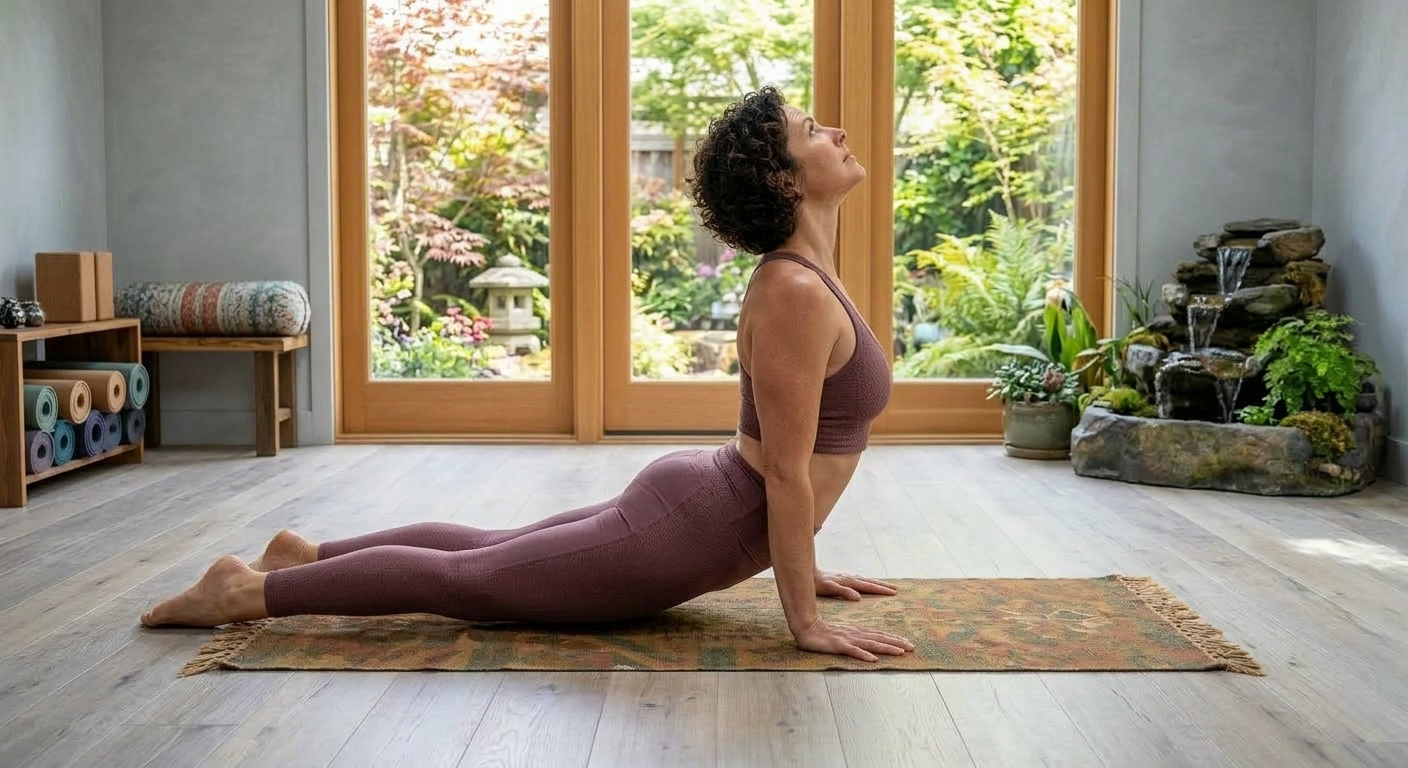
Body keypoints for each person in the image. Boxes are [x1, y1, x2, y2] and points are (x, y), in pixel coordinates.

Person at [140, 86, 915, 664]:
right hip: (691, 528)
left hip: (701, 503)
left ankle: (304, 555)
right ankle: (244, 593)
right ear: (784, 180)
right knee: (465, 581)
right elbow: (784, 469)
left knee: (487, 548)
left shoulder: (807, 277)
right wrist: (804, 621)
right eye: (813, 130)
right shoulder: (797, 290)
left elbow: (791, 465)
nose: (837, 131)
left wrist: (803, 564)